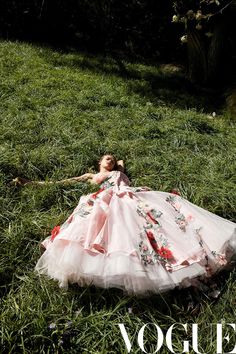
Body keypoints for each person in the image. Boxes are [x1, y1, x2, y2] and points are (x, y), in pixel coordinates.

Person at [15, 154, 236, 295]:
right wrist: (32, 183)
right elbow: (63, 182)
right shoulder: (93, 175)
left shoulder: (120, 172)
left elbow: (121, 165)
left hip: (130, 196)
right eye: (106, 158)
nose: (110, 160)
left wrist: (119, 166)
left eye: (113, 158)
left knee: (162, 214)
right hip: (108, 199)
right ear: (99, 162)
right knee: (109, 226)